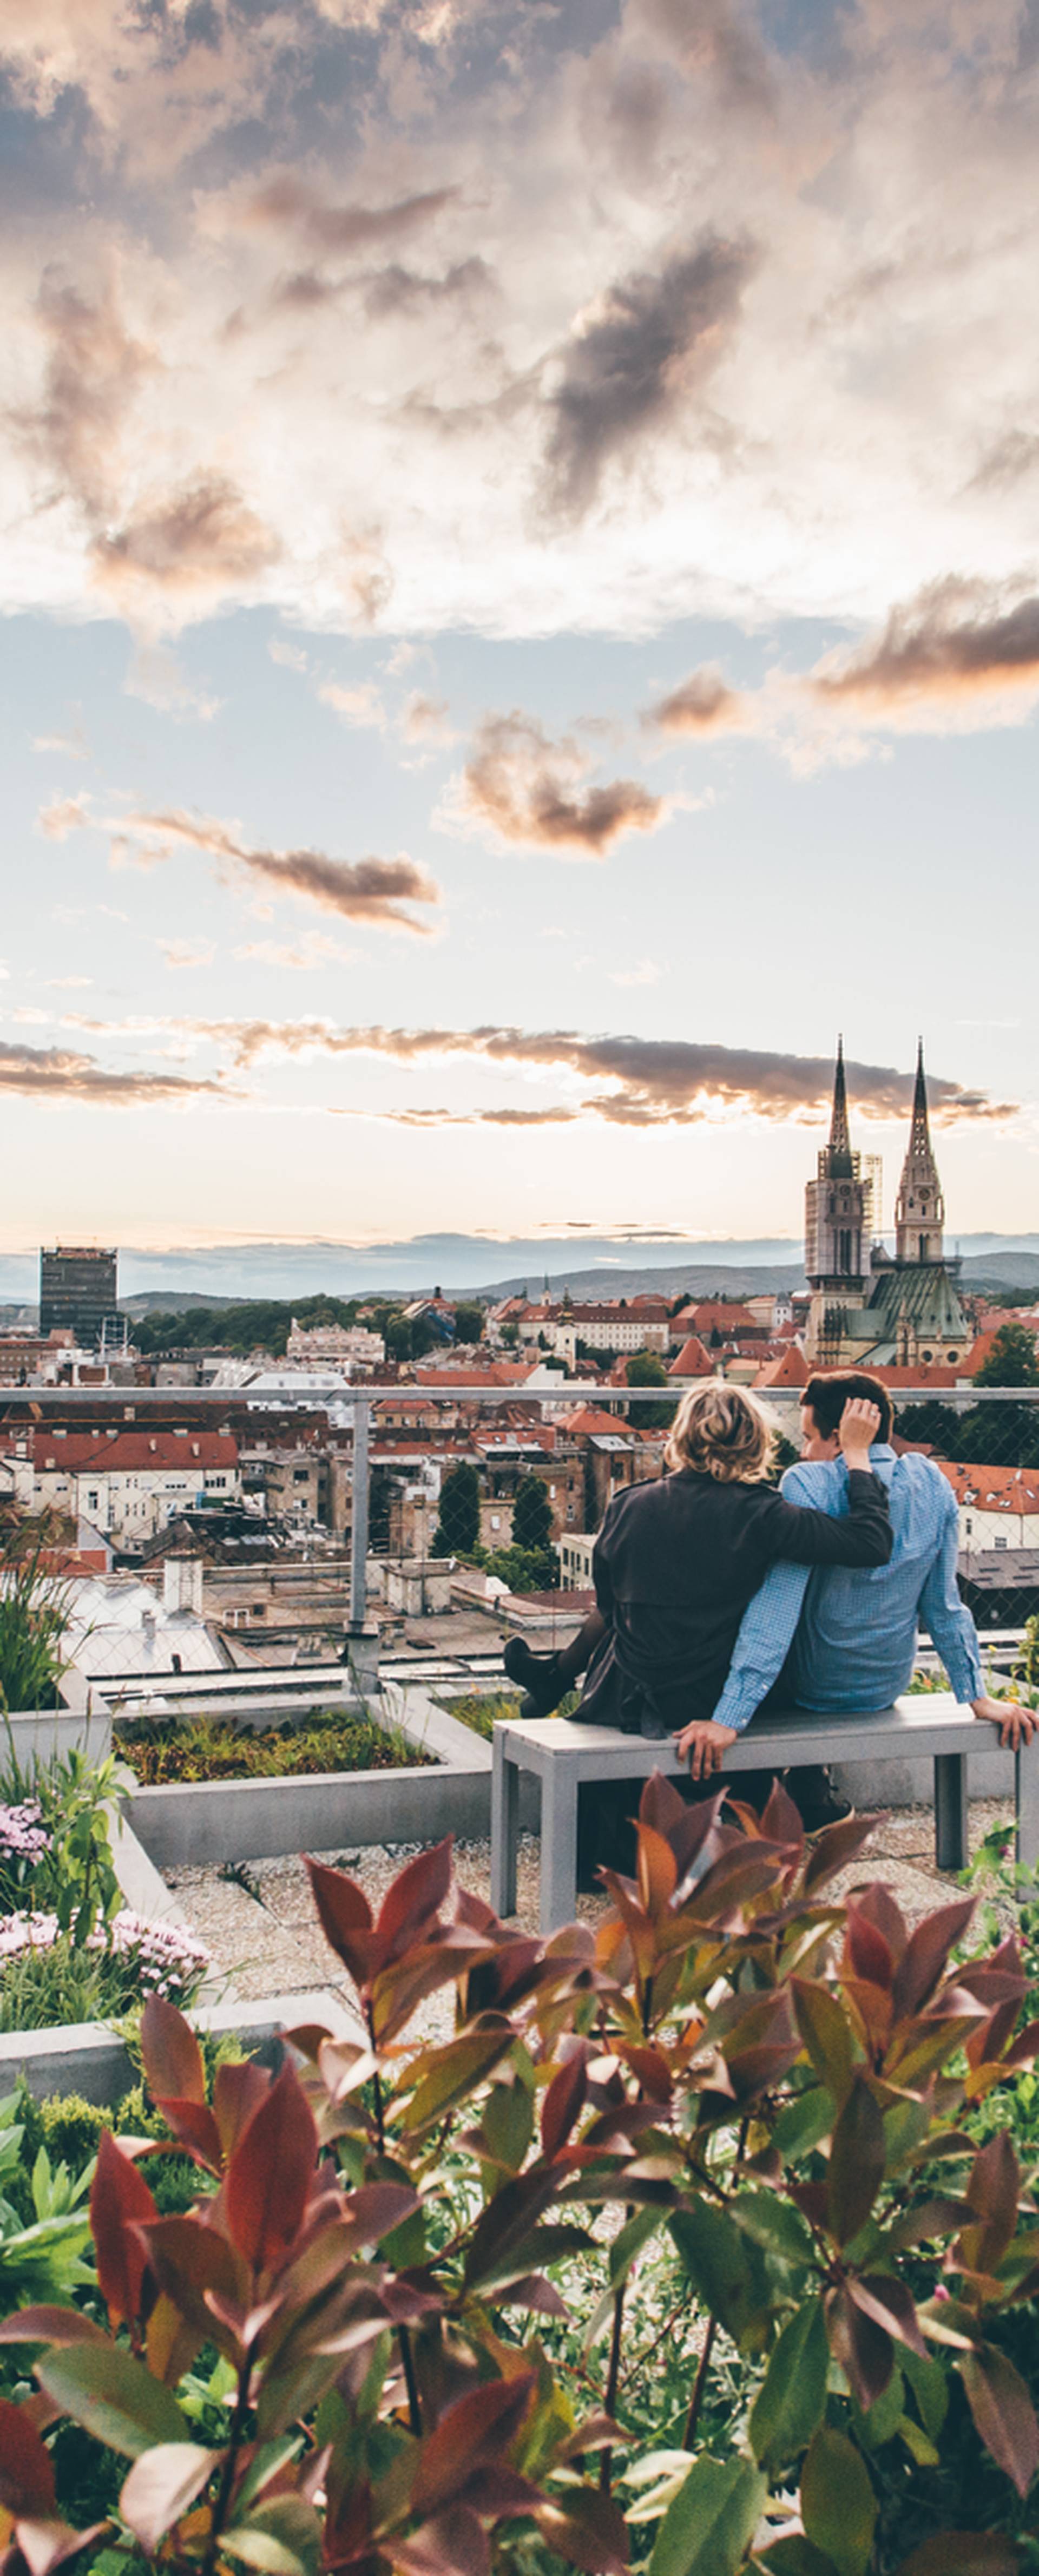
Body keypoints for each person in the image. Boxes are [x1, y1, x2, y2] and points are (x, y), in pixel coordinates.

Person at [509, 1381, 893, 1850]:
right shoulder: (767, 1514)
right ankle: (812, 1795)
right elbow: (872, 1543)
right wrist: (857, 1459)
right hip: (719, 1695)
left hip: (637, 1694)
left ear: (681, 1438)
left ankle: (554, 1677)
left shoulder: (629, 1504)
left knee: (623, 1620)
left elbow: (610, 1608)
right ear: (755, 1443)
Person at [672, 1369, 1035, 1796]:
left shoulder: (807, 1483)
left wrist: (728, 1717)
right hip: (885, 1685)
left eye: (809, 1438)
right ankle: (811, 1788)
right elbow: (944, 1604)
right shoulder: (931, 1483)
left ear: (842, 1435)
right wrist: (977, 1696)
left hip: (813, 1685)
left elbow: (777, 1610)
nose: (804, 1452)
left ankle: (772, 1798)